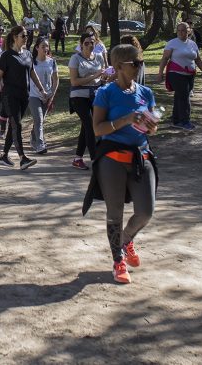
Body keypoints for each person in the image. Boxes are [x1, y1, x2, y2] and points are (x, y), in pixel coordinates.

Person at [82, 44, 160, 284]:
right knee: (114, 213)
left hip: (141, 157)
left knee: (146, 211)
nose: (139, 67)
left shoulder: (145, 93)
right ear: (118, 67)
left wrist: (151, 125)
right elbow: (97, 128)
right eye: (135, 63)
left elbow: (152, 128)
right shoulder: (106, 93)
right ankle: (118, 260)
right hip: (112, 159)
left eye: (141, 63)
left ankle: (125, 241)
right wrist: (126, 119)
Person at [0, 25, 47, 169]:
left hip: (24, 96)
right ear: (15, 38)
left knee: (13, 126)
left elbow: (32, 73)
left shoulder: (28, 54)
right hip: (9, 96)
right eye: (23, 36)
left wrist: (42, 90)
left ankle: (4, 155)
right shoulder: (7, 55)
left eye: (27, 36)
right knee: (17, 125)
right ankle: (23, 158)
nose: (26, 38)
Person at [157, 22, 202, 130]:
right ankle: (185, 121)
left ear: (188, 31)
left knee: (180, 96)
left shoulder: (192, 44)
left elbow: (198, 59)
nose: (181, 32)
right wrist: (160, 73)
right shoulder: (172, 43)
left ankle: (176, 120)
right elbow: (165, 59)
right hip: (175, 74)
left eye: (183, 30)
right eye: (179, 30)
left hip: (189, 74)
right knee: (185, 96)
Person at [70, 32, 108, 170]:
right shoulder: (75, 59)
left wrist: (106, 77)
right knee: (91, 125)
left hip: (95, 95)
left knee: (86, 127)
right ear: (81, 45)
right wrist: (95, 75)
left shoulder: (98, 57)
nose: (90, 45)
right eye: (86, 43)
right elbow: (74, 81)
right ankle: (95, 159)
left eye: (92, 42)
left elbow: (101, 79)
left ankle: (78, 158)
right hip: (78, 96)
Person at [29, 36, 59, 155]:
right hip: (33, 95)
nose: (46, 48)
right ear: (37, 48)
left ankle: (33, 137)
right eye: (43, 46)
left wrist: (52, 94)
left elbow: (56, 80)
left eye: (47, 46)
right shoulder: (32, 62)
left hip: (47, 96)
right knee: (39, 119)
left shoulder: (52, 62)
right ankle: (40, 144)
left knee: (39, 121)